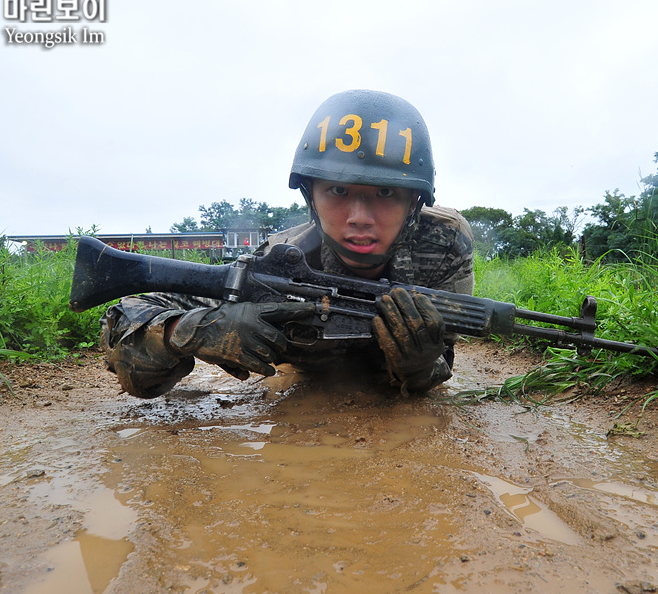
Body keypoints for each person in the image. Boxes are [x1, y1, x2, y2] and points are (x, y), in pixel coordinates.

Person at [101, 90, 474, 398]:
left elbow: (440, 362)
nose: (359, 216)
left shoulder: (442, 244)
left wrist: (423, 366)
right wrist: (193, 331)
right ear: (311, 195)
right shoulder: (278, 266)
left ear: (414, 202)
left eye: (386, 192)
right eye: (339, 190)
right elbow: (125, 335)